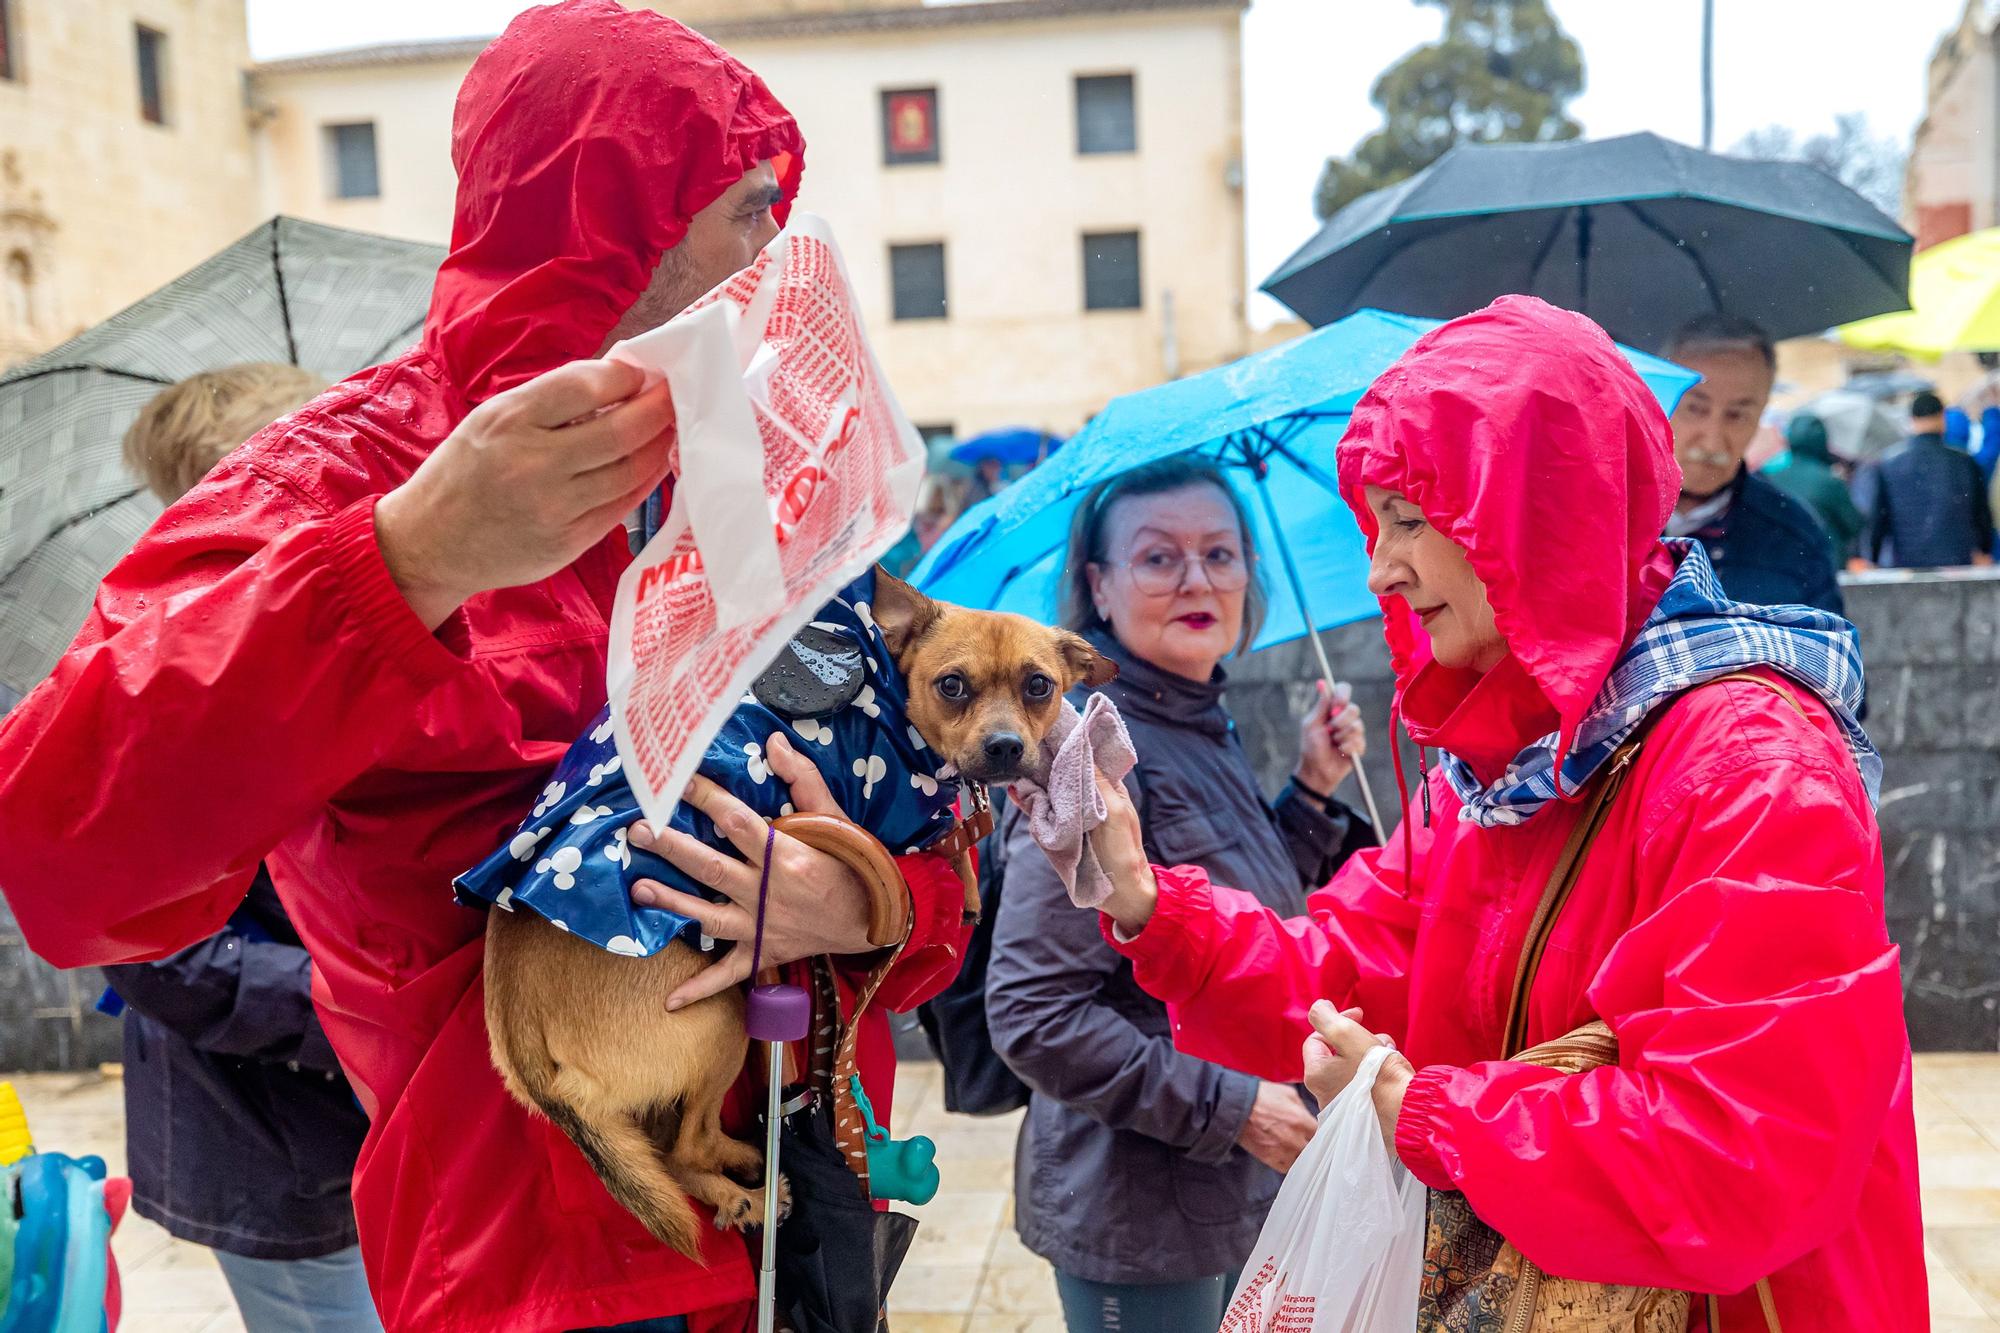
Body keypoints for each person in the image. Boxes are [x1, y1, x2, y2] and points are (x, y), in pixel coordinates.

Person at [0, 7, 972, 1330]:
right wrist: (410, 559)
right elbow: (68, 859)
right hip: (533, 1272)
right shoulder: (339, 483)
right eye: (748, 208)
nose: (776, 254)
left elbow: (934, 867)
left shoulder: (759, 478)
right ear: (624, 214)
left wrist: (862, 901)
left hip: (786, 1222)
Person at [1068, 298, 1923, 1330]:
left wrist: (1419, 1110)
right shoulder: (1491, 769)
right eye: (1377, 521)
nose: (1381, 567)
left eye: (1412, 520)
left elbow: (1744, 1148)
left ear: (1529, 518)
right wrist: (1148, 901)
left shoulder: (1751, 770)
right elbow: (1347, 961)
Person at [985, 457, 1376, 1333]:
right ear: (1100, 585)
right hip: (1141, 1212)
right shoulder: (1090, 755)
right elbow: (1033, 1011)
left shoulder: (1194, 712)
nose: (1199, 578)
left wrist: (1310, 791)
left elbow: (1231, 905)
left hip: (1234, 1187)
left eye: (1221, 554)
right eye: (1160, 558)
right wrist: (1233, 1110)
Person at [107, 365, 382, 1333]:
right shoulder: (145, 685)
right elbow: (155, 948)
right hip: (277, 1141)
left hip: (417, 1116)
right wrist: (377, 1001)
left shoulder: (368, 629)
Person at [1664, 315, 1844, 611]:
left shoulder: (1796, 538)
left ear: (1761, 415)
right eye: (1696, 408)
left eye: (1737, 415)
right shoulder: (1600, 517)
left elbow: (1826, 652)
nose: (1712, 441)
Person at [1854, 390, 1995, 570]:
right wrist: (1984, 549)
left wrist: (1871, 558)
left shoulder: (1889, 464)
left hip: (1907, 563)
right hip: (1957, 563)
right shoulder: (1964, 462)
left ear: (1912, 420)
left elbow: (1878, 517)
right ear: (1942, 418)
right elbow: (1981, 514)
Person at [1764, 412, 1864, 564]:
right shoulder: (1830, 482)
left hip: (1781, 567)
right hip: (1824, 566)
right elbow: (1854, 524)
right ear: (1823, 441)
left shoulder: (1770, 480)